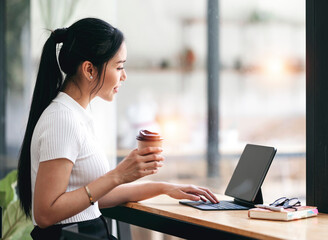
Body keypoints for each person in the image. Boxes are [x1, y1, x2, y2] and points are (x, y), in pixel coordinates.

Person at [17, 18, 219, 240]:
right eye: (119, 66)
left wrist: (163, 187)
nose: (124, 76)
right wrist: (117, 175)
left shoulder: (76, 115)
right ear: (89, 69)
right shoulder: (62, 119)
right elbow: (46, 213)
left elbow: (94, 197)